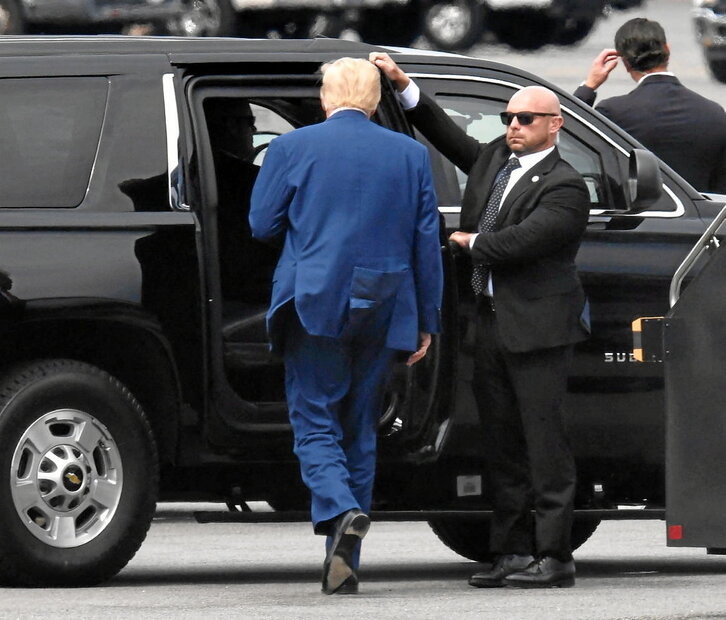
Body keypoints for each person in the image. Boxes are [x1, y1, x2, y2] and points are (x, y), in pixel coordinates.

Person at [371, 51, 590, 589]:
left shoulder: (566, 184)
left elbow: (526, 241)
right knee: (502, 444)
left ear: (554, 125)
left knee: (545, 444)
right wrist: (403, 86)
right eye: (508, 119)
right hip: (490, 323)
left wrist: (474, 242)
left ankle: (554, 554)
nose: (513, 126)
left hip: (538, 331)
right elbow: (445, 133)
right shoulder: (496, 159)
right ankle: (511, 551)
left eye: (525, 119)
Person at [249, 57, 443, 595]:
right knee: (360, 427)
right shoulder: (410, 154)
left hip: (315, 300)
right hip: (387, 305)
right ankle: (345, 558)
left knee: (314, 418)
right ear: (377, 101)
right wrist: (427, 319)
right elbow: (426, 243)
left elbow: (260, 224)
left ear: (326, 100)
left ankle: (340, 509)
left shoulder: (291, 148)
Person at [573, 17, 726, 193]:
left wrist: (589, 86)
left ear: (625, 62)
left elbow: (566, 134)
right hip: (704, 218)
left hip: (640, 218)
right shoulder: (714, 112)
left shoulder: (613, 112)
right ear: (667, 50)